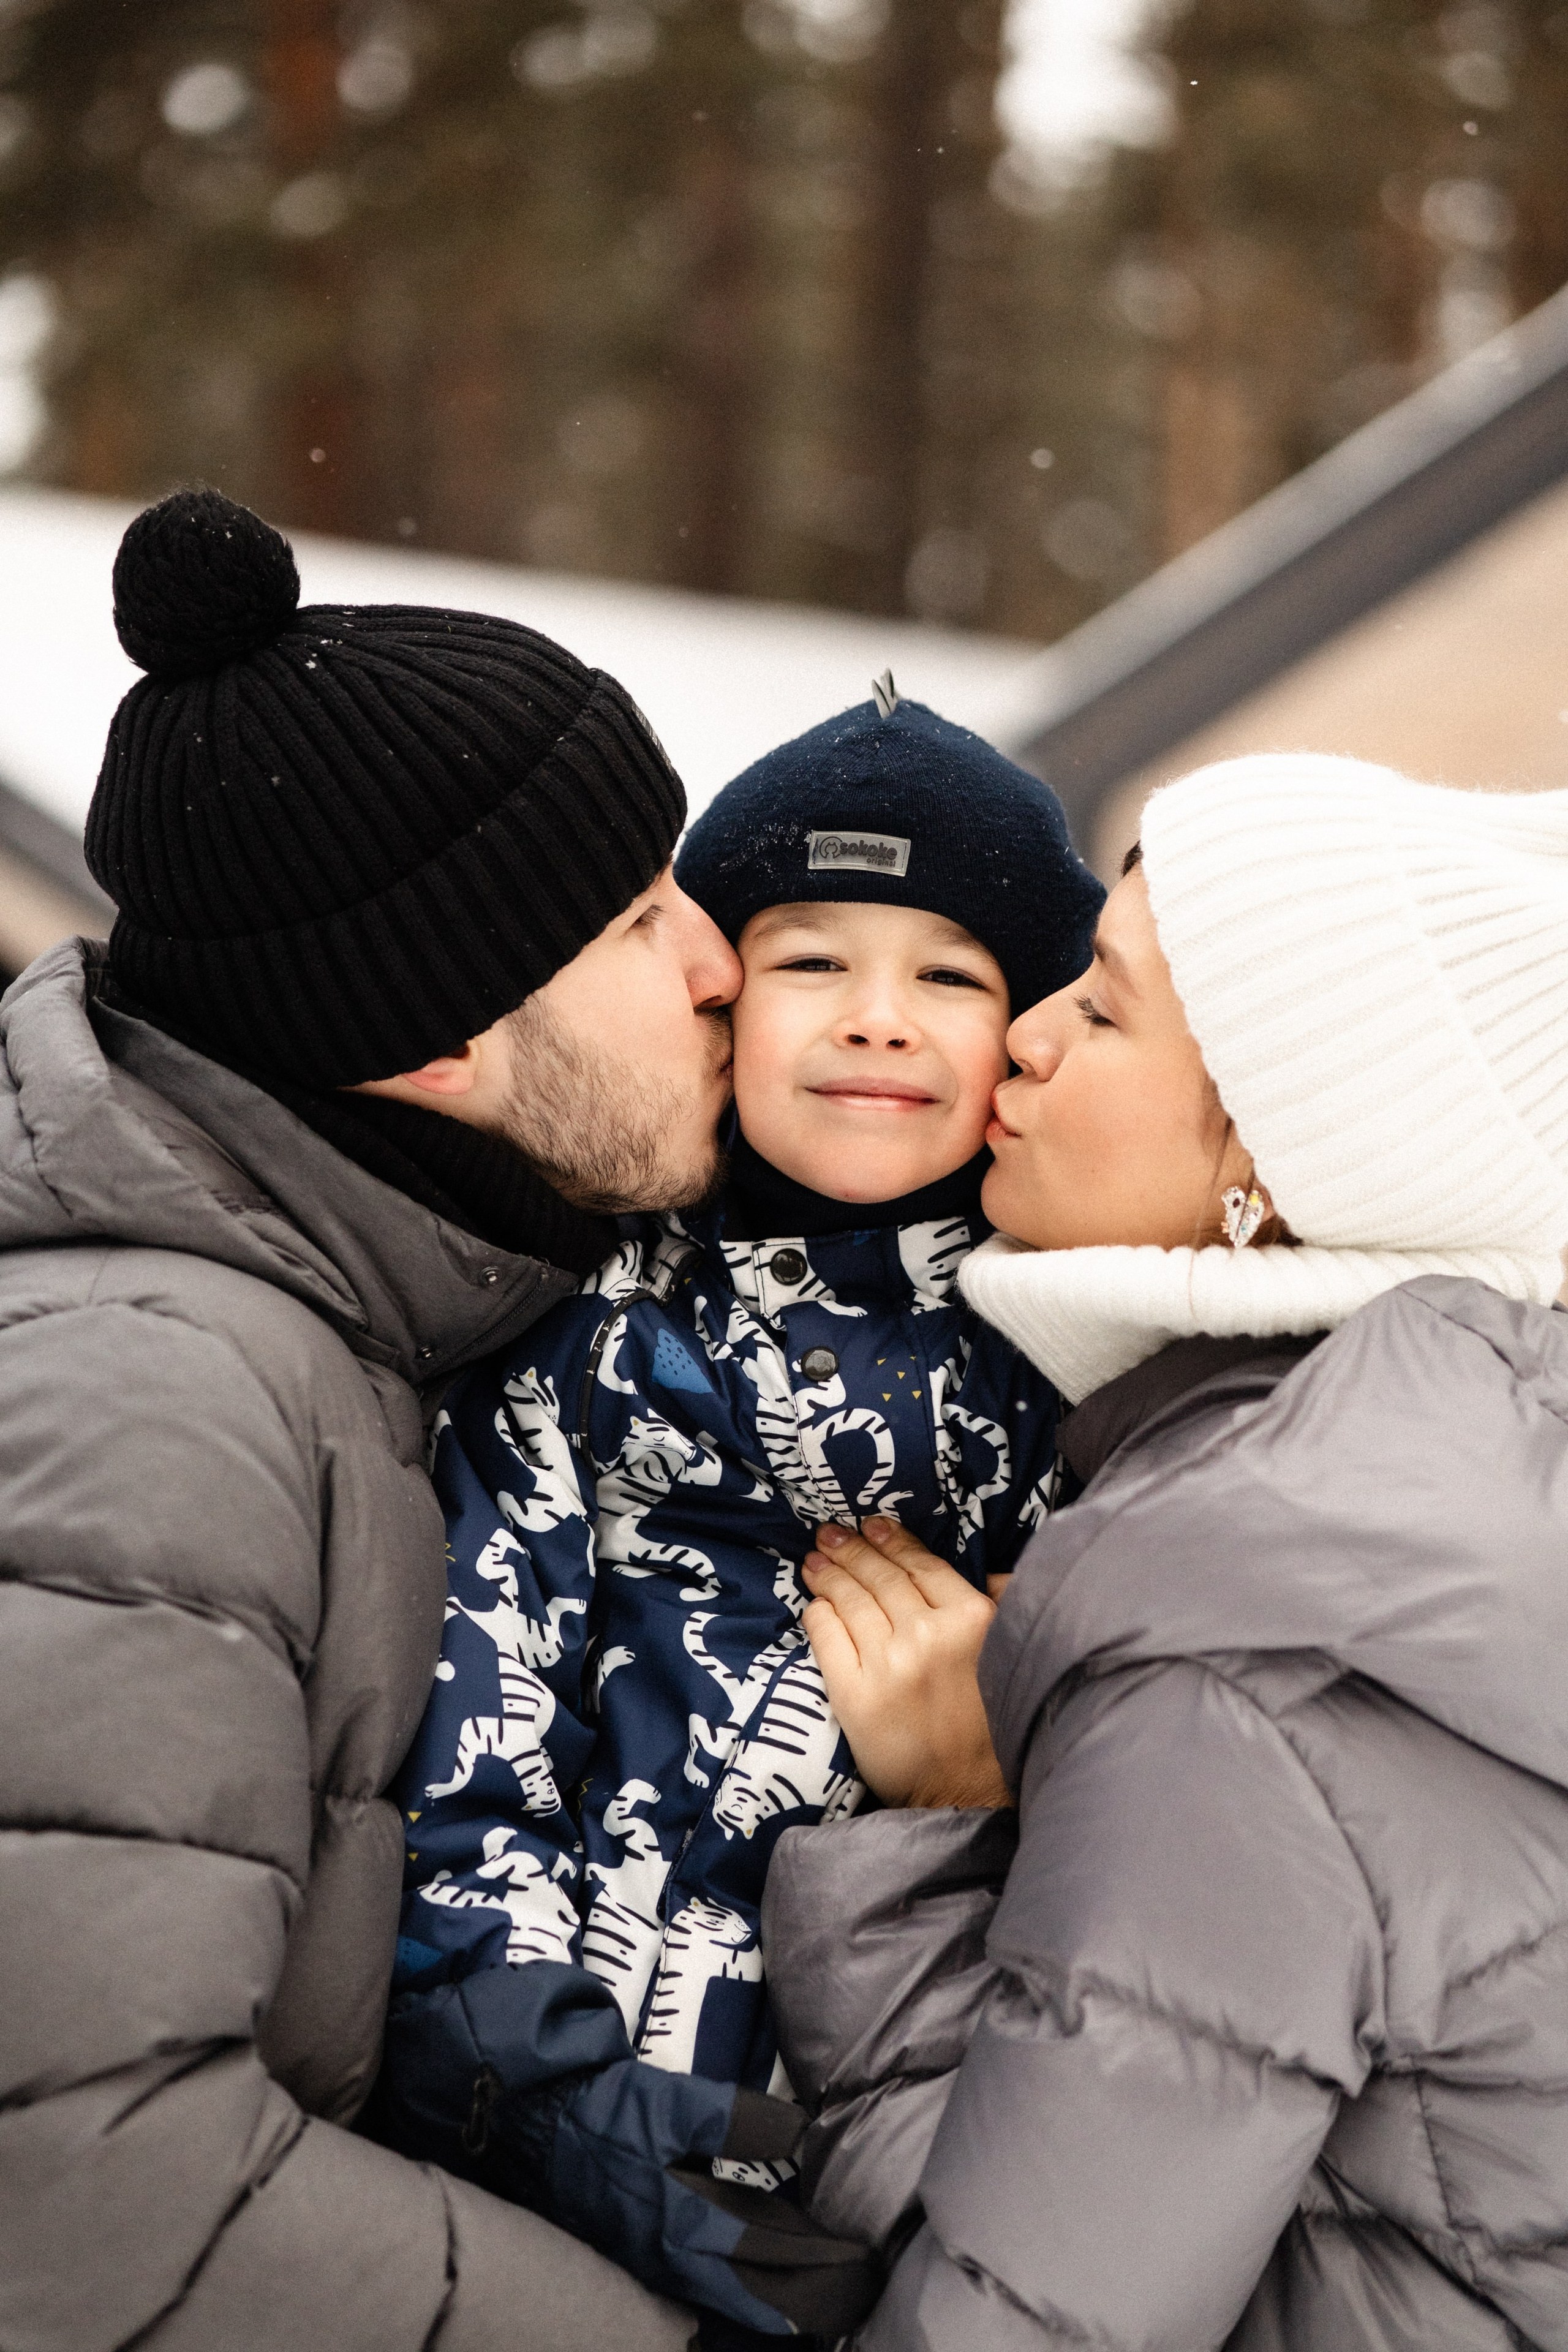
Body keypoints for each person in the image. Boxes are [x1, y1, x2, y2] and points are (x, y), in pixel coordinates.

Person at [0, 486, 744, 2352]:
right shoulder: (156, 1397)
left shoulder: (371, 1322)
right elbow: (81, 2186)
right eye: (647, 921)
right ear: (437, 1045)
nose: (726, 966)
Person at [762, 753, 1568, 2350]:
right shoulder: (1471, 1487)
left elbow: (1005, 2323)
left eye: (1107, 1012)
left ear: (1273, 1168)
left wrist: (933, 1840)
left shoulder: (1244, 1661)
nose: (1030, 1036)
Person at [375, 693, 1104, 2337]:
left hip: (922, 2145)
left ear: (1029, 1032)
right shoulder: (582, 1325)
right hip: (577, 2132)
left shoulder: (1079, 1370)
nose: (878, 1020)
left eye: (950, 975)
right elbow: (469, 1740)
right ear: (718, 997)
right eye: (812, 962)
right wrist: (548, 2099)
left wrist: (997, 1780)